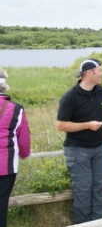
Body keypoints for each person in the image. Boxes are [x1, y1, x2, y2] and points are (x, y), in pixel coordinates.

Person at [57, 58, 102, 223]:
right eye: (100, 71)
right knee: (82, 191)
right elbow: (61, 125)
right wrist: (88, 125)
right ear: (89, 73)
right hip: (78, 150)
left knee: (98, 188)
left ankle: (98, 223)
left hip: (100, 147)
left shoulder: (101, 91)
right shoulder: (70, 97)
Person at [0, 69, 31, 227]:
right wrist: (25, 154)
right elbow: (23, 138)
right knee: (1, 205)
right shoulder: (15, 109)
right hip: (6, 167)